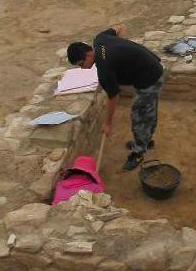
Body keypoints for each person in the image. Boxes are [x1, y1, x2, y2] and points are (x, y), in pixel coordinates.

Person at [67, 26, 164, 171]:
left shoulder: (104, 69)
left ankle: (139, 152)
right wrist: (123, 54)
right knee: (148, 111)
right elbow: (119, 28)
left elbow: (113, 97)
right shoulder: (99, 39)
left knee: (139, 116)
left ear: (87, 55)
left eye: (81, 64)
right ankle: (145, 141)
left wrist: (107, 124)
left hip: (149, 78)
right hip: (151, 65)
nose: (82, 68)